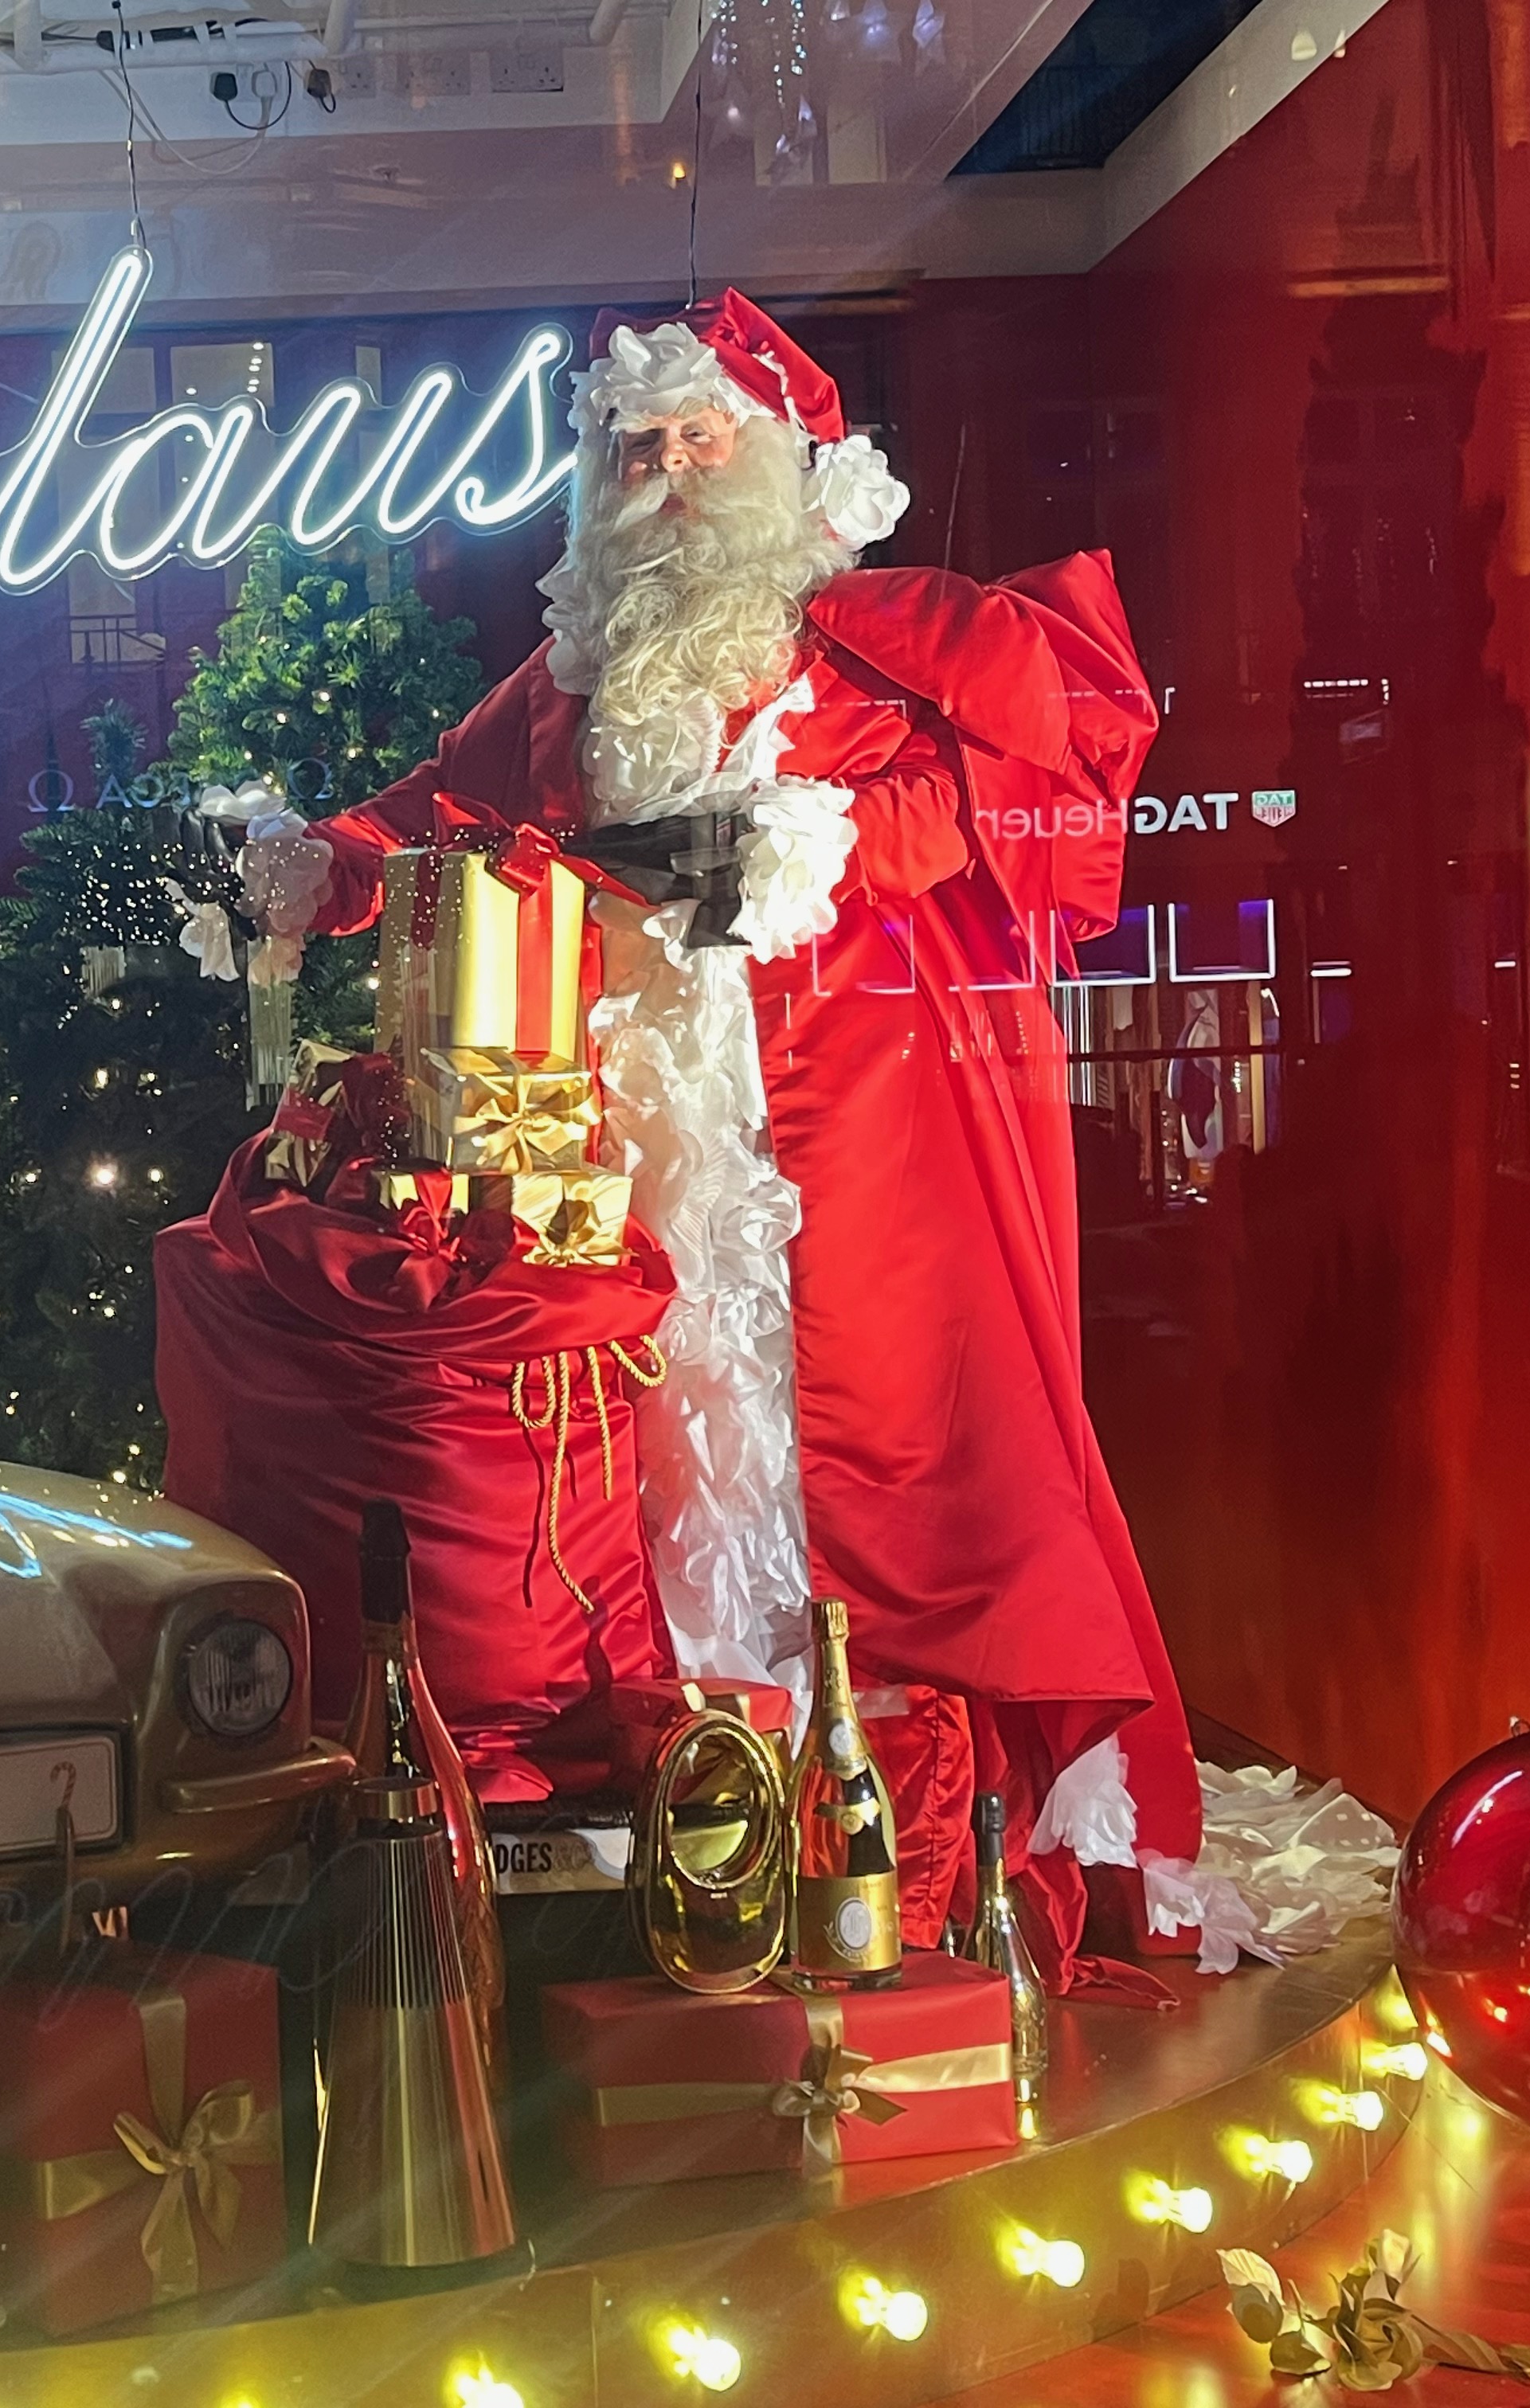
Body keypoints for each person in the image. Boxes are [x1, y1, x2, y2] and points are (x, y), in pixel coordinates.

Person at [245, 291, 1222, 1972]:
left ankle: (903, 1844)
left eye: (703, 437)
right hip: (626, 1135)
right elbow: (424, 818)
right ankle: (699, 1803)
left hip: (854, 1132)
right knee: (654, 1442)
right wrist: (305, 866)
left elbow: (1022, 786)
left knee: (881, 1461)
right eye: (638, 448)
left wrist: (812, 848)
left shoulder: (874, 644)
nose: (671, 472)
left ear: (778, 461)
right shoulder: (564, 690)